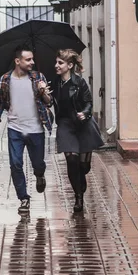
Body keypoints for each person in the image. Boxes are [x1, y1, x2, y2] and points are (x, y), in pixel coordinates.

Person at [0, 45, 53, 213]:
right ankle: (24, 198)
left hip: (36, 129)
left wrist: (43, 91)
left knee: (38, 164)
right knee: (15, 163)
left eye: (32, 59)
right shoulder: (4, 80)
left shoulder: (38, 77)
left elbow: (49, 101)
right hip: (15, 129)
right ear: (18, 61)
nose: (32, 62)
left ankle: (40, 175)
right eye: (28, 59)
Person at [52, 49, 104, 212]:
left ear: (70, 65)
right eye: (56, 62)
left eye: (60, 63)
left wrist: (85, 113)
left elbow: (88, 102)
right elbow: (48, 102)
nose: (56, 66)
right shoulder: (54, 83)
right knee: (71, 160)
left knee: (84, 166)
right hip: (65, 125)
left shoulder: (79, 82)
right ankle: (78, 198)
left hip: (82, 124)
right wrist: (44, 93)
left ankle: (81, 177)